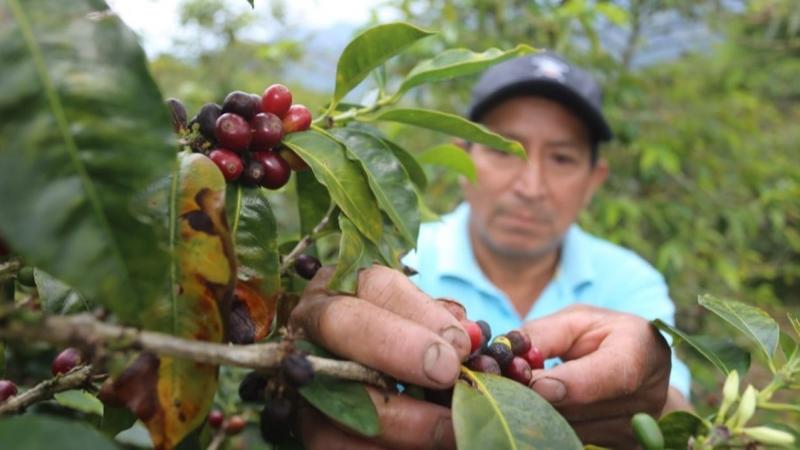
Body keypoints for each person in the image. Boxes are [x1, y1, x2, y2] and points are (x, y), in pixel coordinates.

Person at [290, 52, 691, 449]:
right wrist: (306, 358)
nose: (530, 187)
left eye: (562, 158)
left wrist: (654, 402)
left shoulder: (629, 283)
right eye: (504, 150)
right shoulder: (399, 262)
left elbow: (678, 415)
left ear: (593, 180)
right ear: (463, 159)